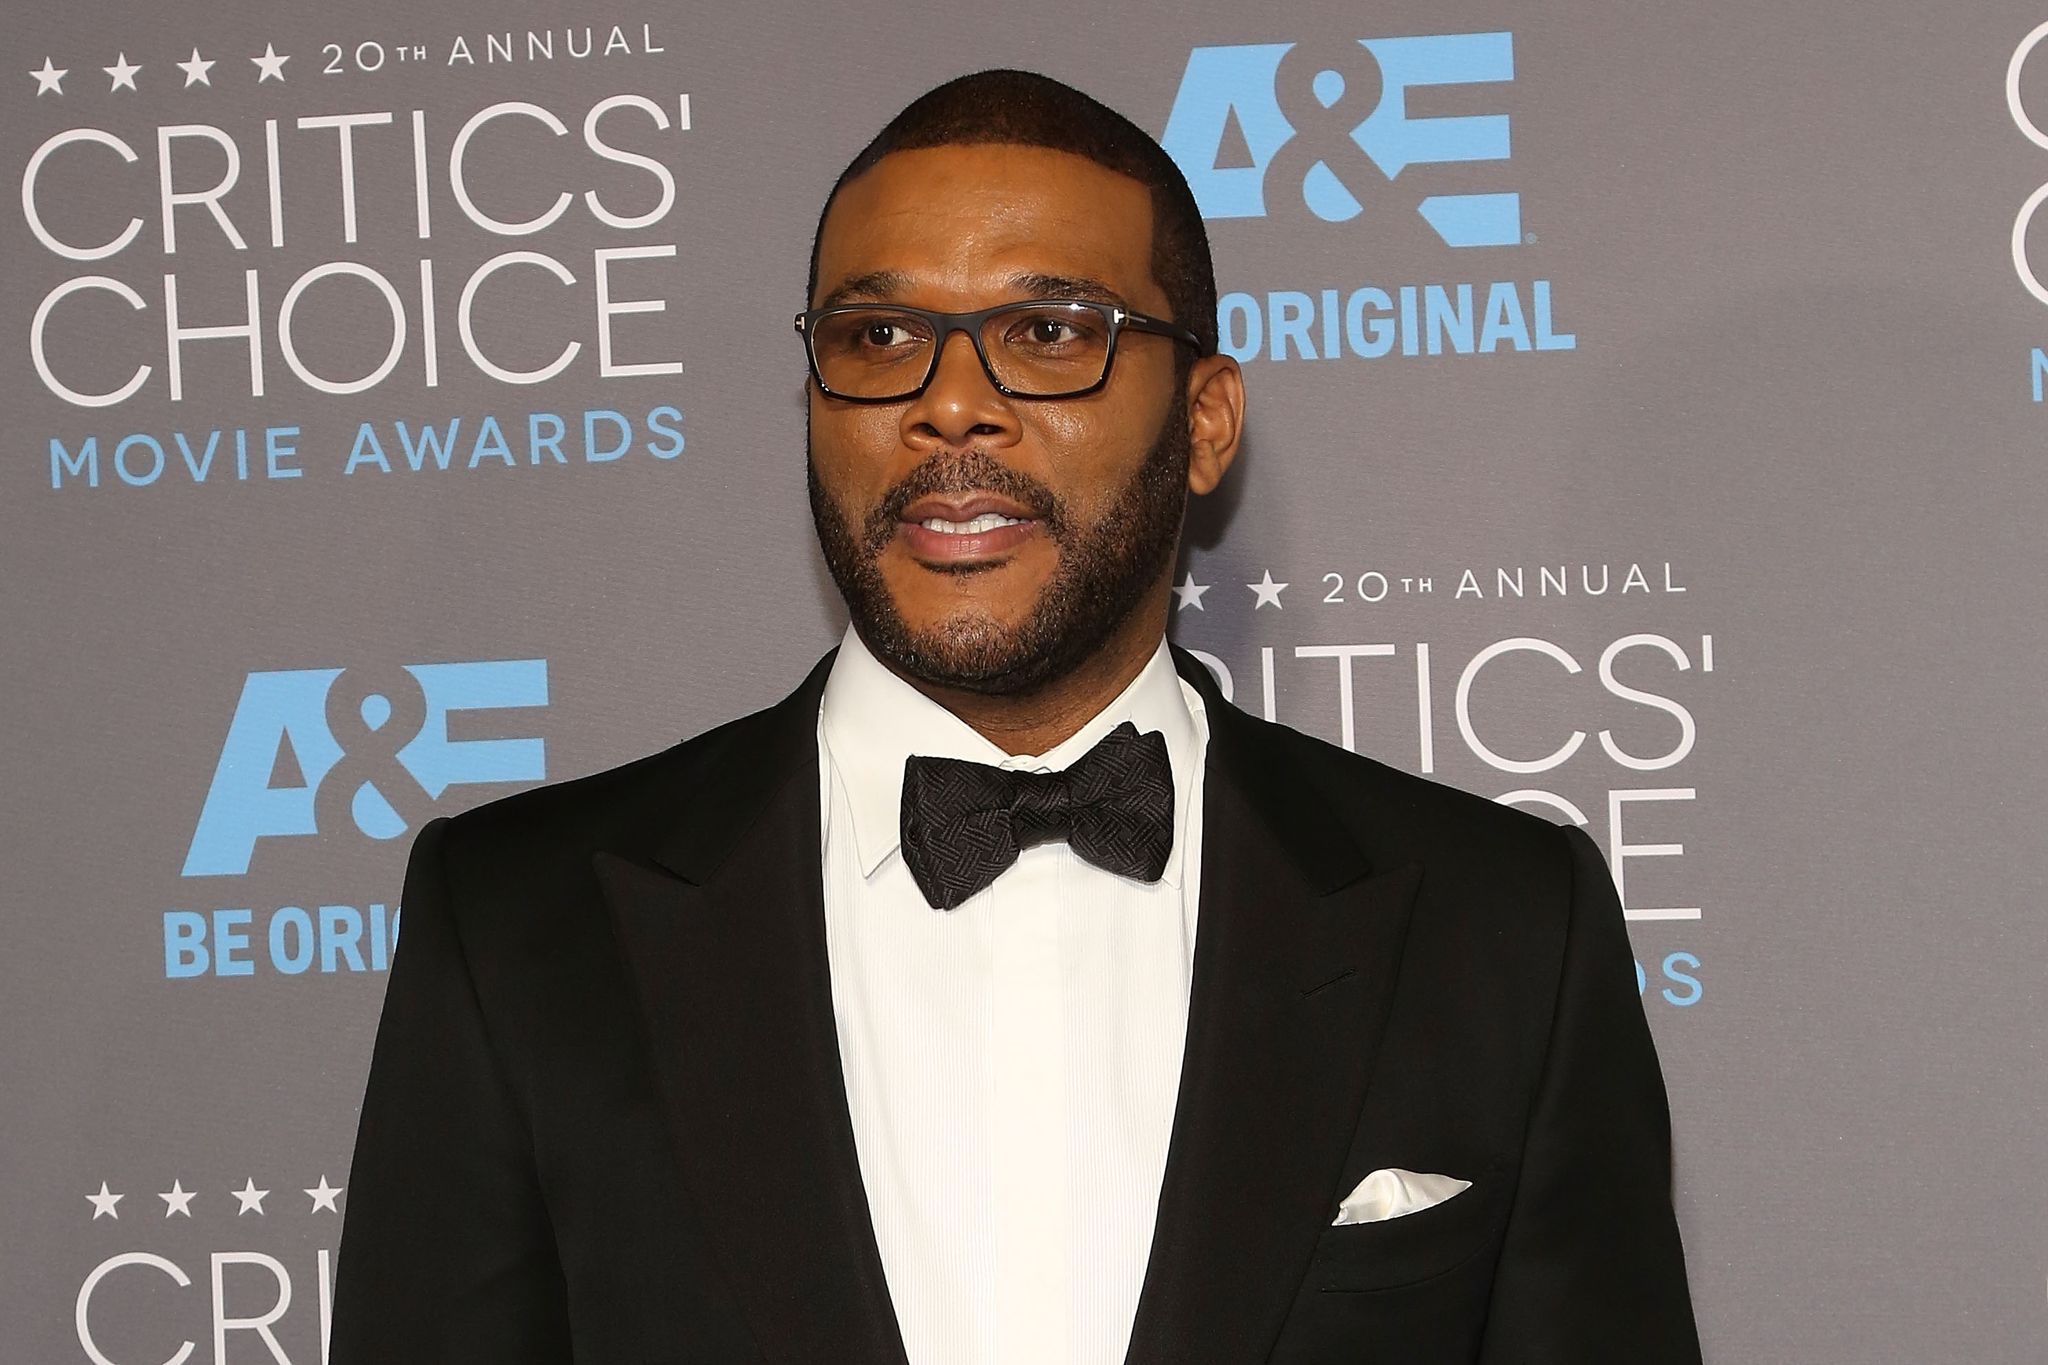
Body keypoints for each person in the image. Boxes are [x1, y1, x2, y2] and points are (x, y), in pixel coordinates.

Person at [330, 68, 1701, 1365]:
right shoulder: (521, 930)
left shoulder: (1505, 929)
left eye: (1049, 335)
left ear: (1208, 418)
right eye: (879, 337)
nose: (951, 405)